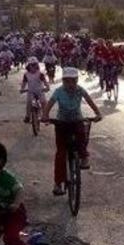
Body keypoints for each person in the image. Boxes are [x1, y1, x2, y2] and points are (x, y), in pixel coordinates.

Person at [41, 67, 103, 195]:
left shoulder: (80, 90)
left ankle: (84, 157)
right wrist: (45, 115)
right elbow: (49, 104)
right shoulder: (58, 91)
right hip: (61, 123)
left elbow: (90, 102)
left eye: (73, 81)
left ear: (77, 81)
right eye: (67, 81)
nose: (70, 84)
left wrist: (98, 113)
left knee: (82, 137)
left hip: (76, 121)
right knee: (60, 154)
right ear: (63, 81)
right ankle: (58, 183)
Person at [20, 57, 50, 123]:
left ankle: (45, 116)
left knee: (43, 102)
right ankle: (27, 116)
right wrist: (22, 89)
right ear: (29, 66)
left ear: (37, 65)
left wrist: (47, 87)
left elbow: (45, 82)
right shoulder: (26, 74)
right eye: (31, 65)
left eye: (34, 64)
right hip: (30, 91)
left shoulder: (40, 74)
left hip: (40, 91)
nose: (33, 66)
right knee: (29, 103)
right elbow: (24, 83)